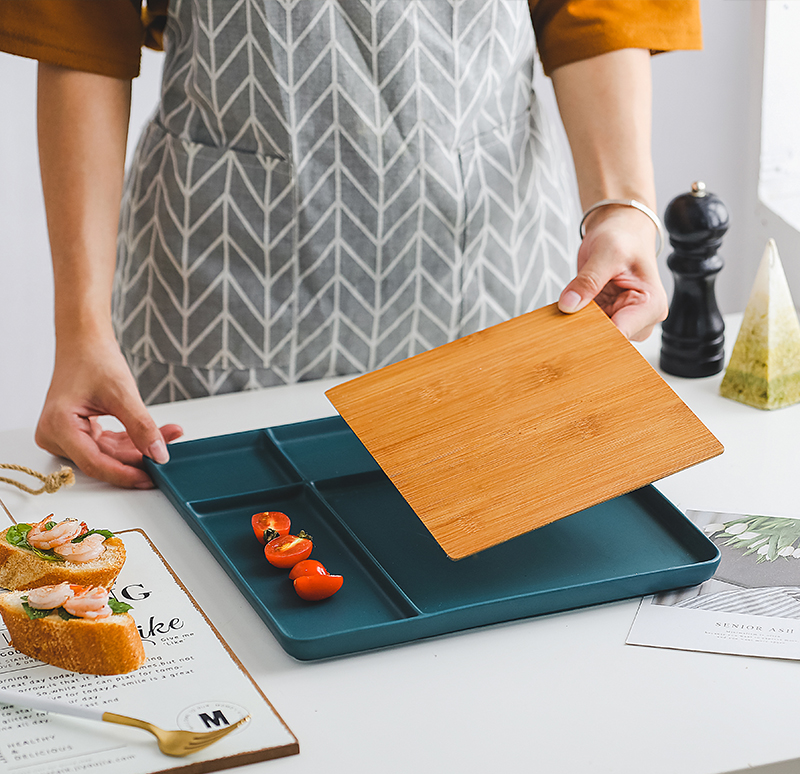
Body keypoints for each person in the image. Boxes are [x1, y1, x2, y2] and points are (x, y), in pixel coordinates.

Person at [0, 0, 702, 489]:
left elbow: (600, 9)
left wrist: (624, 208)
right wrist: (82, 327)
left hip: (486, 271)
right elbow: (82, 26)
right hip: (222, 289)